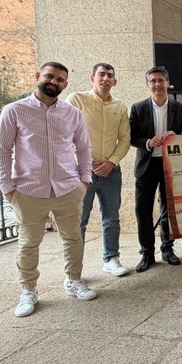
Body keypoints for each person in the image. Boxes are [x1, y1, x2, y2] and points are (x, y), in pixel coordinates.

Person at [0, 62, 95, 318]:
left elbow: (83, 148)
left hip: (67, 188)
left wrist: (84, 181)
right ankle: (28, 290)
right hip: (28, 190)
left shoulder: (72, 114)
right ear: (38, 76)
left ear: (65, 85)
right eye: (50, 76)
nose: (54, 82)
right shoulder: (14, 111)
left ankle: (73, 280)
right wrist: (7, 186)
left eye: (60, 79)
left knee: (73, 237)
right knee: (29, 243)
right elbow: (2, 150)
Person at [66, 63, 131, 277]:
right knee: (79, 221)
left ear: (115, 81)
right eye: (101, 75)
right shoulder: (77, 100)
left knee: (111, 218)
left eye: (110, 76)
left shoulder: (120, 106)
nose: (105, 79)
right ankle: (75, 268)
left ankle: (111, 258)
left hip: (111, 172)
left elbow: (124, 139)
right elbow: (64, 134)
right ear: (92, 77)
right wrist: (82, 161)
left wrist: (111, 162)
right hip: (81, 172)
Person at [129, 66, 182, 272]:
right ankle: (147, 253)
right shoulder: (138, 108)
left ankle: (167, 249)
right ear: (148, 85)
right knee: (143, 211)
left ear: (168, 83)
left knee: (169, 210)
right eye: (153, 81)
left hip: (170, 165)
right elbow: (131, 137)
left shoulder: (179, 107)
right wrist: (148, 142)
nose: (157, 84)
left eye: (161, 80)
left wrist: (177, 137)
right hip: (146, 166)